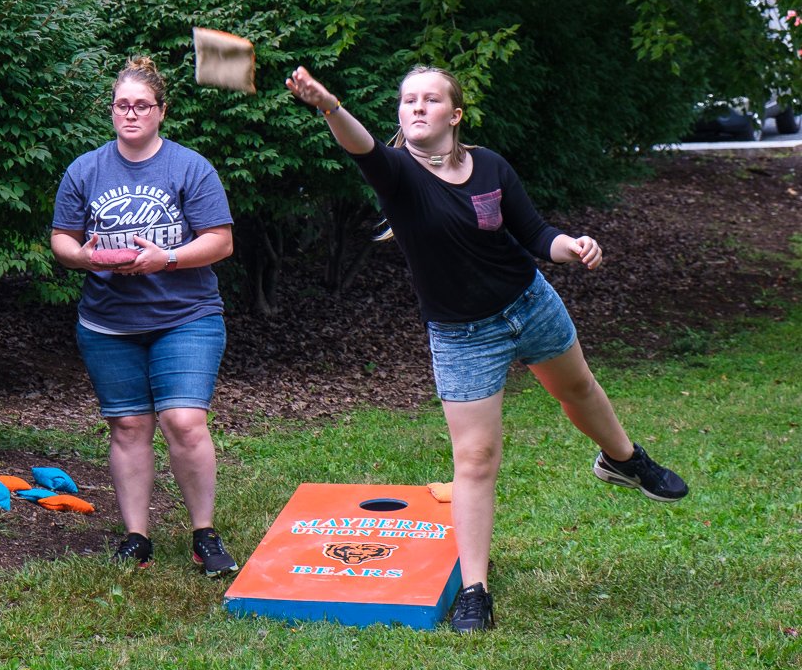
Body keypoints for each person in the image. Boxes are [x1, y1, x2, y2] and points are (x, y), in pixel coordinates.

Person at [284, 64, 688, 632]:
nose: (417, 108)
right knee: (475, 458)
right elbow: (363, 147)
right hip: (462, 333)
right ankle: (475, 590)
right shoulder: (398, 174)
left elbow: (535, 233)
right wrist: (328, 106)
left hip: (530, 301)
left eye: (431, 99)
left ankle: (624, 460)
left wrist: (571, 246)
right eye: (408, 101)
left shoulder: (492, 166)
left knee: (578, 389)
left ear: (455, 114)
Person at [51, 56, 239, 578]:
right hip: (108, 322)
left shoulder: (189, 167)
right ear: (111, 111)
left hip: (185, 315)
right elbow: (61, 240)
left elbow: (220, 241)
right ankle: (137, 537)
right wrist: (85, 257)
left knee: (184, 421)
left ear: (161, 112)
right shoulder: (85, 169)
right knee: (130, 427)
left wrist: (168, 257)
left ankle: (204, 534)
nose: (130, 114)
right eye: (121, 106)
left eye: (142, 106)